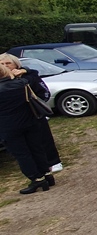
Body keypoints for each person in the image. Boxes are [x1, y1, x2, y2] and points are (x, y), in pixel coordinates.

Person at [0, 54, 63, 173]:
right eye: (2, 64)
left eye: (8, 63)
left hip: (34, 113)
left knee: (43, 139)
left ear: (16, 64)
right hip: (13, 120)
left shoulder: (28, 76)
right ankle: (37, 168)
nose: (5, 66)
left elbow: (44, 92)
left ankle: (53, 162)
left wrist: (37, 106)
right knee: (25, 146)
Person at [0, 63, 53, 194]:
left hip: (8, 126)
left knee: (22, 153)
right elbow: (33, 73)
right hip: (30, 120)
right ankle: (47, 174)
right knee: (36, 148)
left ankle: (36, 178)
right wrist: (24, 70)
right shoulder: (22, 83)